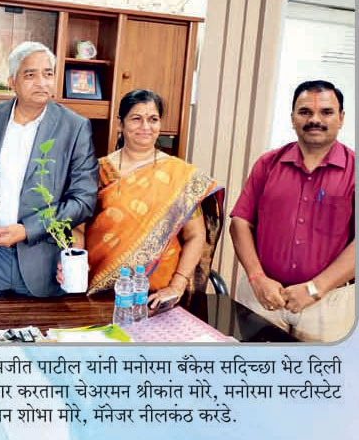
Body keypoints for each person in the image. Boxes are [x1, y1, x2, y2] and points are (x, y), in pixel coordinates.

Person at [60, 89, 224, 307]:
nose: (145, 126)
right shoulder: (97, 171)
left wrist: (177, 286)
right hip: (101, 291)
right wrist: (74, 262)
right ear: (120, 124)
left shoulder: (179, 175)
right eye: (136, 119)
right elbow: (78, 228)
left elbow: (196, 235)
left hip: (158, 297)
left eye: (153, 119)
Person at [0, 41, 98, 298]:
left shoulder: (75, 127)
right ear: (12, 81)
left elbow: (83, 201)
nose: (41, 82)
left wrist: (27, 229)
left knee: (39, 325)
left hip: (43, 260)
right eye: (30, 75)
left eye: (48, 74)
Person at [230, 80, 354, 342]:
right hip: (263, 296)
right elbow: (240, 222)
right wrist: (257, 278)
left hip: (327, 304)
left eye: (326, 112)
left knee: (319, 369)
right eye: (305, 112)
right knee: (254, 367)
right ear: (292, 118)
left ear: (341, 118)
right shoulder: (268, 164)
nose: (315, 119)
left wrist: (315, 289)